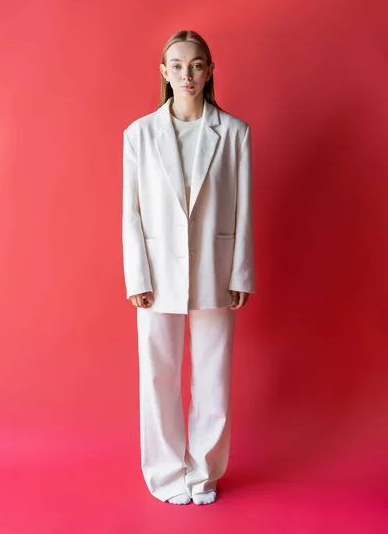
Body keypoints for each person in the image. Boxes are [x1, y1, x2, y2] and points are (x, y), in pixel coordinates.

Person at [122, 30, 255, 505]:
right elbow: (131, 212)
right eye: (177, 65)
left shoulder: (235, 133)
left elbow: (242, 207)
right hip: (157, 273)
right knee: (157, 373)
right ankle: (164, 474)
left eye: (196, 65)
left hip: (215, 268)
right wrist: (136, 276)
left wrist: (241, 272)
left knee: (213, 374)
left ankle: (203, 472)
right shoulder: (138, 134)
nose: (187, 74)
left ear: (210, 70)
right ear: (163, 73)